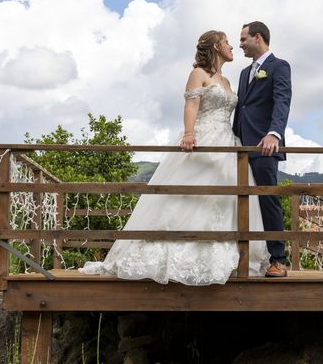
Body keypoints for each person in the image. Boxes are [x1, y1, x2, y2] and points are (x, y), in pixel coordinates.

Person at [79, 30, 270, 285]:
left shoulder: (225, 80)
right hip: (203, 139)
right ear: (215, 46)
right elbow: (191, 105)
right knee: (189, 197)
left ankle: (226, 256)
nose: (232, 47)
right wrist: (190, 134)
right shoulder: (198, 74)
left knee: (226, 199)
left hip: (227, 143)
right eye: (226, 43)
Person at [233, 21, 292, 278]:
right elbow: (242, 109)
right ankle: (238, 256)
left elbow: (282, 100)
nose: (240, 44)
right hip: (239, 147)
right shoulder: (244, 72)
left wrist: (274, 134)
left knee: (268, 200)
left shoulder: (279, 66)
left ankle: (279, 259)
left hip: (264, 146)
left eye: (244, 39)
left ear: (258, 37)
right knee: (237, 200)